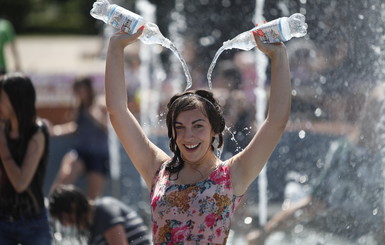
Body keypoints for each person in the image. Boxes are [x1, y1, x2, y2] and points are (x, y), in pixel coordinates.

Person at [104, 23, 291, 244]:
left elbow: (276, 122)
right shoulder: (157, 169)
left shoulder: (233, 174)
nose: (188, 136)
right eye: (179, 127)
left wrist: (278, 56)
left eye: (198, 126)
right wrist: (116, 46)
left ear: (215, 129)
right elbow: (117, 111)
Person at [246, 84, 385, 245]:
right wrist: (266, 233)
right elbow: (315, 202)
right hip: (342, 235)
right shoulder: (345, 152)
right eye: (377, 114)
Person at [0, 73, 51, 244]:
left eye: (2, 98)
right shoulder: (3, 130)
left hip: (32, 222)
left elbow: (21, 183)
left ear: (16, 100)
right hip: (3, 220)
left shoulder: (37, 133)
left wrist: (3, 148)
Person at [50, 77, 110, 200]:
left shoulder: (99, 104)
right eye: (79, 89)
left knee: (94, 198)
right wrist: (55, 131)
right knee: (65, 175)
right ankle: (52, 203)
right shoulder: (79, 106)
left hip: (98, 154)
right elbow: (76, 127)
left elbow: (107, 126)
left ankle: (89, 217)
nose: (81, 92)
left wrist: (94, 114)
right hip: (81, 151)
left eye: (83, 88)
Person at [49, 184, 151, 245]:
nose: (65, 224)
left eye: (63, 218)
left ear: (73, 206)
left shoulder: (104, 210)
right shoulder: (91, 229)